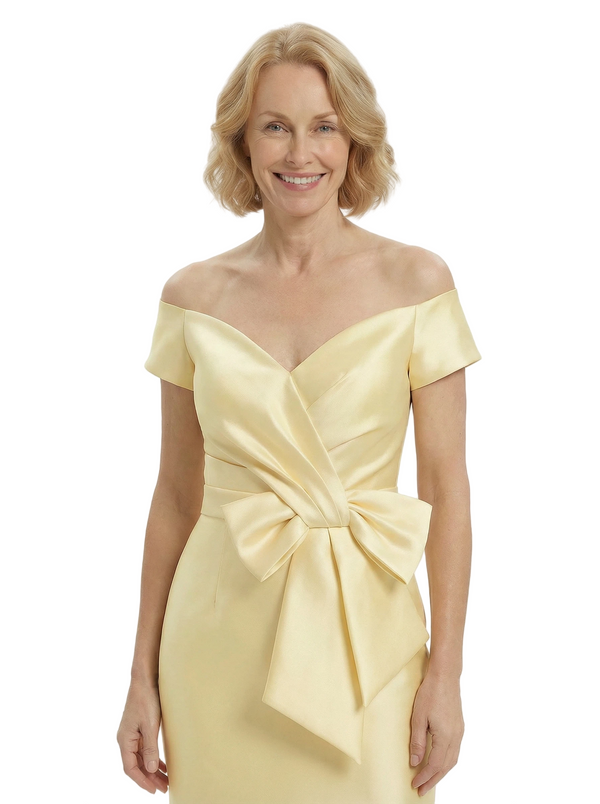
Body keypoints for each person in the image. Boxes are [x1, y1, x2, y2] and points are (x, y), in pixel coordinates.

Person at [117, 22, 481, 803]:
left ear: (354, 142)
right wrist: (140, 677)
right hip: (216, 646)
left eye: (324, 128)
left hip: (367, 645)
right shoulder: (192, 297)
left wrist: (447, 673)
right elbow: (175, 496)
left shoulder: (417, 283)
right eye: (275, 127)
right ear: (242, 142)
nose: (300, 153)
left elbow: (447, 490)